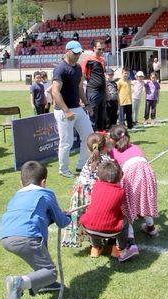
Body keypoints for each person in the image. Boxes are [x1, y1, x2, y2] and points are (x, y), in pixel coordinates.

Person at [0, 160, 71, 299]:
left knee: (39, 257)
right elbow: (62, 222)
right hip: (26, 237)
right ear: (43, 182)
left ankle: (43, 284)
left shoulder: (16, 196)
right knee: (50, 271)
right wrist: (68, 216)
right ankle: (19, 283)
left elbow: (33, 215)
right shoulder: (45, 193)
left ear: (21, 183)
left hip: (5, 236)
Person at [62, 132, 114, 247]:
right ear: (105, 146)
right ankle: (102, 239)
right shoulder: (107, 161)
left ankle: (93, 243)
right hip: (93, 192)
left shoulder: (91, 159)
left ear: (88, 148)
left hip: (80, 192)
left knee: (84, 216)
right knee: (98, 215)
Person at [80, 161, 139, 261]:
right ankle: (120, 248)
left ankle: (95, 248)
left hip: (88, 228)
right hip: (109, 231)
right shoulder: (120, 192)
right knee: (125, 221)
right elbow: (122, 209)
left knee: (94, 219)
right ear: (120, 177)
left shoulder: (96, 186)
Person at [51, 40, 94, 178]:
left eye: (79, 53)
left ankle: (82, 165)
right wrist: (66, 110)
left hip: (78, 108)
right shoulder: (60, 68)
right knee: (66, 142)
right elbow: (55, 91)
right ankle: (63, 170)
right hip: (64, 111)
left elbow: (80, 87)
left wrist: (86, 104)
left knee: (89, 136)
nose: (77, 55)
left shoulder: (78, 68)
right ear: (67, 51)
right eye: (75, 53)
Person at [109, 125, 159, 237]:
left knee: (126, 204)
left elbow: (116, 171)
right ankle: (151, 228)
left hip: (131, 175)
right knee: (144, 199)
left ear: (113, 139)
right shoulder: (136, 147)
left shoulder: (113, 152)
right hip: (147, 174)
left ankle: (130, 239)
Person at [81, 41, 107, 131]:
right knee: (93, 116)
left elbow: (103, 76)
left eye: (103, 49)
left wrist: (106, 91)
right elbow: (82, 76)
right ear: (94, 48)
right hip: (93, 91)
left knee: (102, 115)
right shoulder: (87, 60)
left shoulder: (103, 60)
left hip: (102, 92)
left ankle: (101, 138)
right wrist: (80, 95)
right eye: (99, 49)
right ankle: (92, 139)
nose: (101, 51)